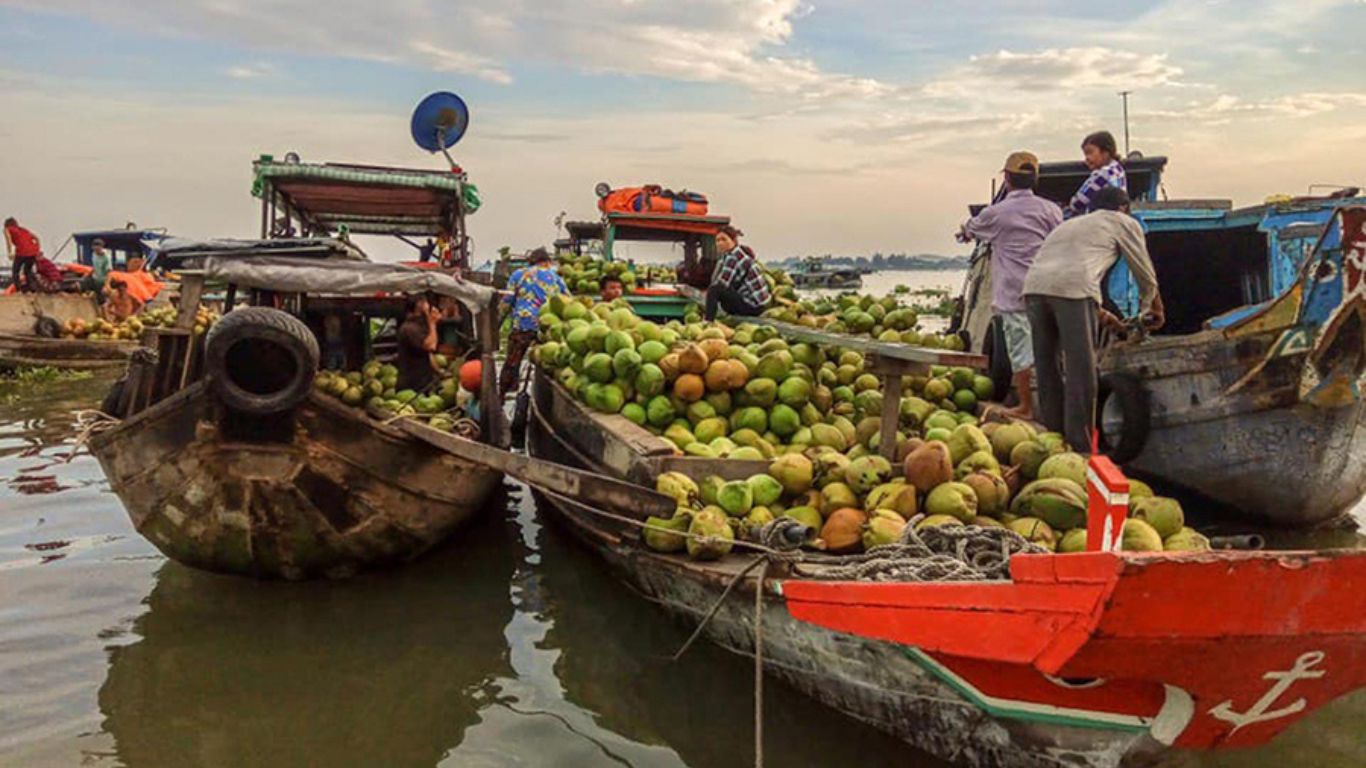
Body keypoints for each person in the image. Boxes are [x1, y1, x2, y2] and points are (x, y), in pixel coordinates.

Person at [1023, 186, 1164, 451]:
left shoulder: (1070, 225)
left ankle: (1053, 441)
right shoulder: (1123, 221)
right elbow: (1144, 272)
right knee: (1081, 369)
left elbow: (1065, 279)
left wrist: (1105, 316)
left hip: (1033, 288)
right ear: (1124, 207)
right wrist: (1155, 308)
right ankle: (1080, 447)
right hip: (1072, 290)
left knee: (1047, 367)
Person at [959, 152, 1063, 419]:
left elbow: (971, 228)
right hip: (1046, 289)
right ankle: (1053, 406)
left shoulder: (996, 213)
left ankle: (1026, 406)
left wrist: (964, 232)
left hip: (1013, 292)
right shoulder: (1051, 210)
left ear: (1006, 179)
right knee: (1049, 348)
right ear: (1035, 180)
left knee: (1020, 351)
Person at [500, 248, 567, 395]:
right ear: (548, 262)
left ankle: (503, 394)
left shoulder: (518, 274)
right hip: (546, 327)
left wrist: (497, 323)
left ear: (530, 261)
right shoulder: (556, 277)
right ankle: (542, 396)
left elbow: (506, 302)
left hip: (523, 325)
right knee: (545, 362)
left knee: (512, 363)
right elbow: (567, 303)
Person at [704, 226, 770, 321]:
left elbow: (722, 283)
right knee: (717, 291)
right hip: (759, 306)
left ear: (733, 241)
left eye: (724, 239)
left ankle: (708, 322)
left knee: (714, 290)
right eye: (717, 240)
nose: (720, 243)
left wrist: (709, 298)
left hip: (753, 307)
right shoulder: (732, 254)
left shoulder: (734, 256)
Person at [1065, 131, 1126, 219]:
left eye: (1090, 153)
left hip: (1099, 220)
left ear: (1105, 152)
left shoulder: (1102, 175)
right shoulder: (1119, 169)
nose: (1087, 158)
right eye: (1085, 154)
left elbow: (1079, 202)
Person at [396, 294, 441, 391]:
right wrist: (432, 323)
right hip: (412, 384)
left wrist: (440, 371)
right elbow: (431, 346)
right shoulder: (409, 328)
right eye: (425, 303)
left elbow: (427, 354)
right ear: (419, 305)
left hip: (422, 381)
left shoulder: (418, 326)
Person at [4, 217, 41, 293]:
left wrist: (9, 252)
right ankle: (32, 289)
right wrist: (37, 249)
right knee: (27, 271)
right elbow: (37, 238)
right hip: (33, 252)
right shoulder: (23, 230)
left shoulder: (7, 229)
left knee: (15, 271)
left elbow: (9, 240)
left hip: (22, 251)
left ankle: (19, 290)